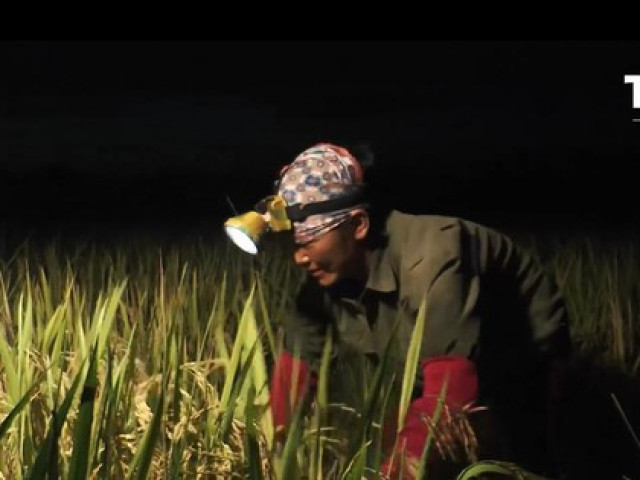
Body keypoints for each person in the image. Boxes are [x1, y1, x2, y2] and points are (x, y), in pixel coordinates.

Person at [243, 142, 572, 479]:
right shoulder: (324, 278)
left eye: (309, 242)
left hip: (520, 354)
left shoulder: (434, 255)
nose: (299, 258)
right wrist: (268, 461)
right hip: (429, 359)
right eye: (295, 244)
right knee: (391, 438)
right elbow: (293, 378)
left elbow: (449, 394)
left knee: (512, 451)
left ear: (358, 224)